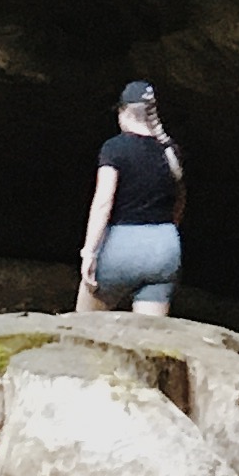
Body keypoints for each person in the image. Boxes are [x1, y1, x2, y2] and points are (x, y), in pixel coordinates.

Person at [78, 78, 185, 315]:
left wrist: (89, 253)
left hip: (120, 247)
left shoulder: (114, 148)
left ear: (124, 111)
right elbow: (179, 201)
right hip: (164, 248)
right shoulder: (171, 151)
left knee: (84, 325)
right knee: (148, 333)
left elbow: (103, 202)